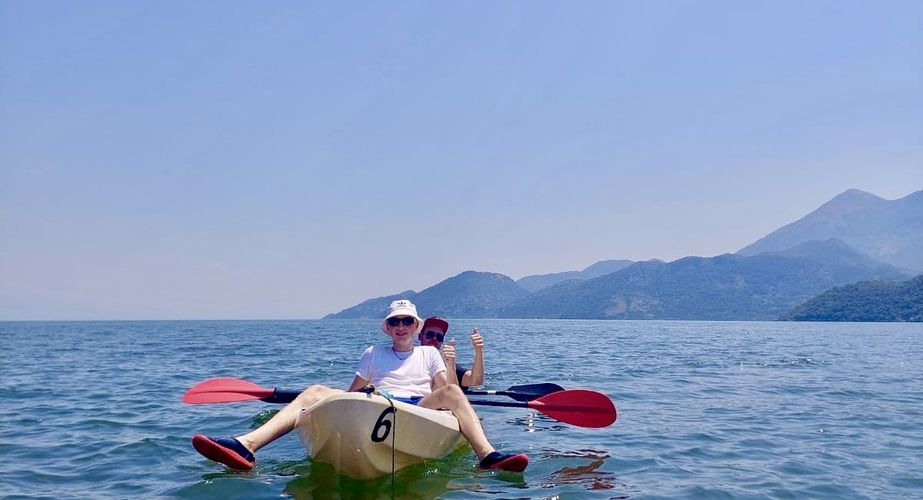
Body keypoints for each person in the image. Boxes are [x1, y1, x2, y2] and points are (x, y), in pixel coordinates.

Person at [191, 299, 528, 472]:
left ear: (415, 326)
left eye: (406, 321)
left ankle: (487, 455)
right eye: (394, 321)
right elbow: (353, 393)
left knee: (453, 392)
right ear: (387, 328)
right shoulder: (372, 353)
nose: (400, 326)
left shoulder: (429, 354)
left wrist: (467, 359)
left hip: (418, 408)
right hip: (376, 401)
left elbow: (444, 392)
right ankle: (245, 445)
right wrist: (340, 404)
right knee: (314, 390)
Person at [419, 316, 484, 389]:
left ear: (442, 341)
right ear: (420, 337)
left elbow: (476, 381)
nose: (434, 339)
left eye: (439, 337)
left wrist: (478, 350)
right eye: (430, 335)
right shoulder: (409, 361)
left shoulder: (447, 365)